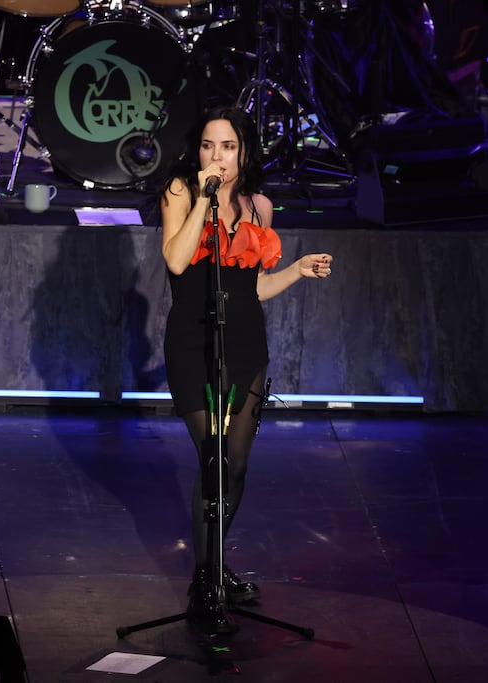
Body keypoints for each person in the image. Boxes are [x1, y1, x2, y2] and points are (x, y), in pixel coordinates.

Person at [160, 105, 334, 625]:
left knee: (235, 466)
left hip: (244, 344)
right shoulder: (180, 192)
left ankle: (211, 575)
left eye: (229, 147)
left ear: (245, 152)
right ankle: (208, 581)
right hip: (192, 344)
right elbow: (176, 259)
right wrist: (204, 198)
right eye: (209, 146)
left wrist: (297, 271)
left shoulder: (260, 206)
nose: (218, 156)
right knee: (213, 460)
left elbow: (252, 287)